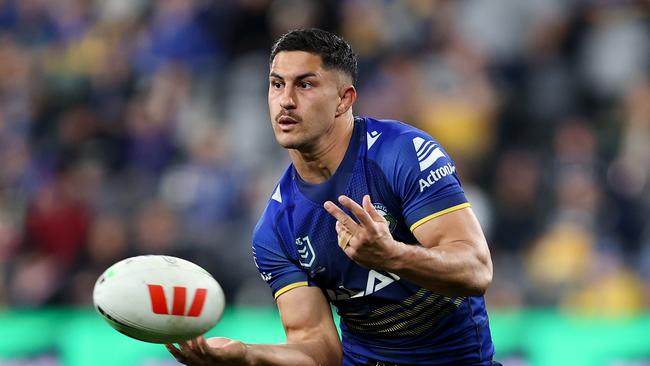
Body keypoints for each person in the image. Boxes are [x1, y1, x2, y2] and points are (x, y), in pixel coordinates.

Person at [166, 28, 499, 366]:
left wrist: (392, 255)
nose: (286, 100)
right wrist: (246, 356)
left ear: (344, 99)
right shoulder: (275, 230)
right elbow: (318, 351)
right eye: (277, 84)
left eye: (305, 84)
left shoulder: (403, 153)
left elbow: (475, 270)